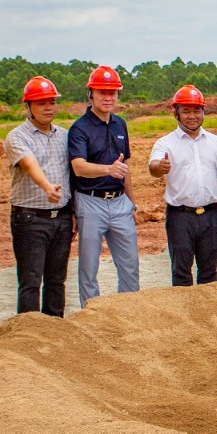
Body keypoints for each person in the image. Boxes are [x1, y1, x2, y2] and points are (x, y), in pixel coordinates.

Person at [149, 85, 217, 287]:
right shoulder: (165, 143)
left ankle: (208, 317)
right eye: (186, 111)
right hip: (180, 217)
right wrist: (160, 167)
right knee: (181, 272)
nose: (192, 116)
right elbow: (153, 167)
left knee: (209, 273)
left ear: (203, 112)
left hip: (210, 216)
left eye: (196, 110)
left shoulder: (215, 142)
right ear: (176, 112)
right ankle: (185, 318)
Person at [68, 65, 140, 302]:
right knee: (89, 268)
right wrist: (108, 169)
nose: (108, 98)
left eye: (113, 93)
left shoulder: (120, 124)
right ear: (90, 94)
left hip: (120, 203)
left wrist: (132, 203)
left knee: (130, 265)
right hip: (90, 202)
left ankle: (127, 313)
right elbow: (78, 166)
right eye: (102, 92)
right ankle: (92, 317)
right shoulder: (80, 128)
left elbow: (124, 167)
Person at [5, 75, 73, 316]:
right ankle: (28, 337)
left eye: (51, 102)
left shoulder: (64, 135)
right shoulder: (17, 137)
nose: (48, 107)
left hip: (62, 218)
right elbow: (30, 164)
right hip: (30, 219)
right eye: (41, 103)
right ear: (28, 106)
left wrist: (72, 212)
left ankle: (54, 333)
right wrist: (46, 187)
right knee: (31, 281)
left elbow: (71, 173)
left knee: (57, 280)